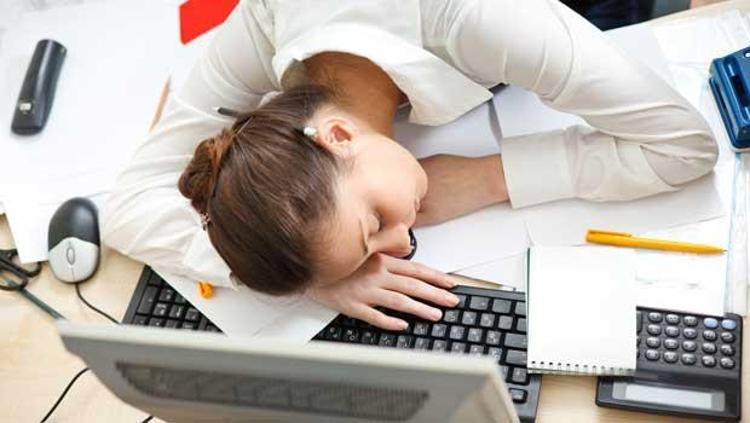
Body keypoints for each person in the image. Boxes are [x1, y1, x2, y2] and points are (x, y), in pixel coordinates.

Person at [103, 0, 717, 331]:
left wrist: (491, 177)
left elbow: (685, 147)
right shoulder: (269, 18)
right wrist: (316, 272)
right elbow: (127, 204)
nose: (402, 247)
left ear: (338, 135)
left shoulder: (481, 18)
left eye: (375, 225)